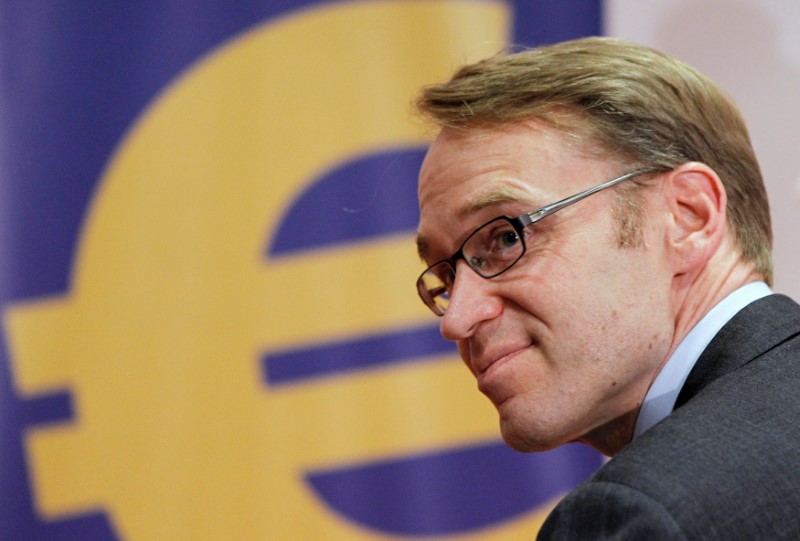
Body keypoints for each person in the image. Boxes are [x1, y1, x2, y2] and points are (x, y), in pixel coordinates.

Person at [413, 37, 800, 540]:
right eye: (447, 276)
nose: (456, 319)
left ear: (689, 217)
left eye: (506, 238)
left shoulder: (638, 516)